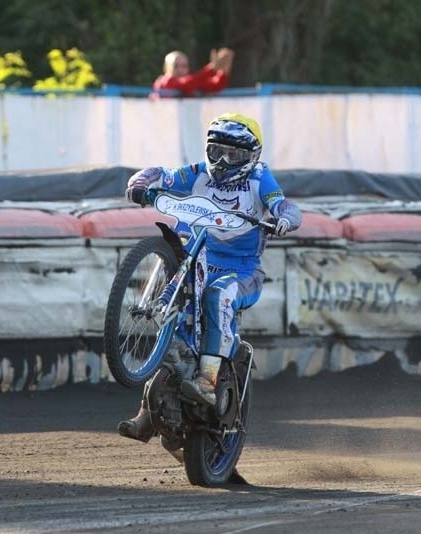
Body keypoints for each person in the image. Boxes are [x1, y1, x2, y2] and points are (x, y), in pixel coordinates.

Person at [118, 112, 303, 442]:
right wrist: (140, 183)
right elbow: (163, 174)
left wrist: (283, 220)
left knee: (218, 295)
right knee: (167, 311)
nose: (223, 161)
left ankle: (207, 381)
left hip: (242, 272)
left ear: (251, 156)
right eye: (217, 151)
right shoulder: (198, 172)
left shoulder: (261, 178)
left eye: (233, 155)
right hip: (197, 260)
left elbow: (285, 205)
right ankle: (148, 410)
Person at [152, 48, 234, 97]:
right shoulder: (164, 82)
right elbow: (188, 83)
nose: (180, 69)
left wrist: (223, 69)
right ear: (166, 67)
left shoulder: (191, 81)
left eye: (184, 66)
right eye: (175, 65)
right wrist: (212, 67)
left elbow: (215, 86)